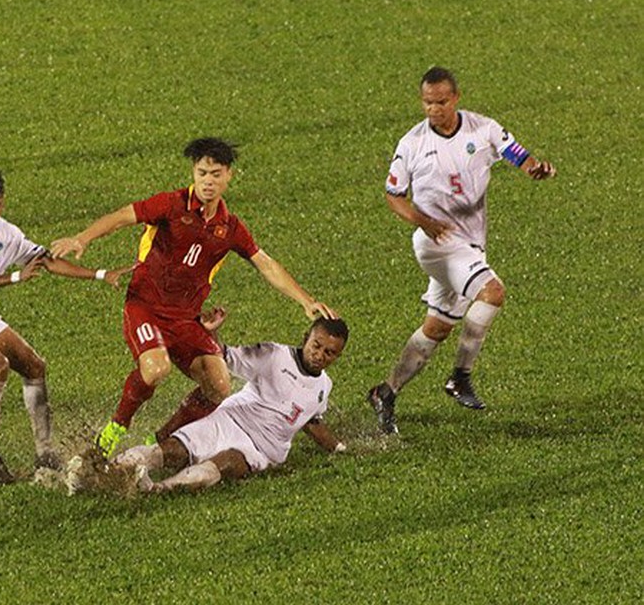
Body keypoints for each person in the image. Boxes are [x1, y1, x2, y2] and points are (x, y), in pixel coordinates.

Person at [50, 137, 336, 458]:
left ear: (229, 175)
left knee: (219, 386)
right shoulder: (171, 205)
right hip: (146, 307)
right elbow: (121, 216)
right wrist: (82, 238)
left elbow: (265, 264)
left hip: (186, 319)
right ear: (193, 172)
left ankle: (158, 442)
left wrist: (305, 300)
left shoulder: (230, 228)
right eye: (201, 173)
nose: (207, 182)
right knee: (157, 369)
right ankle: (114, 431)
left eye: (215, 174)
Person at [367, 67, 557, 435]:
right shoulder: (412, 144)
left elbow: (515, 151)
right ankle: (460, 377)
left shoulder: (482, 129)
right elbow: (393, 196)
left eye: (440, 102)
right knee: (493, 292)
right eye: (427, 103)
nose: (433, 109)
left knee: (437, 328)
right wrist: (422, 220)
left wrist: (534, 167)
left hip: (469, 243)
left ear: (455, 98)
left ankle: (385, 392)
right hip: (435, 243)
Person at [0, 167, 130, 484]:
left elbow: (45, 260)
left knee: (34, 366)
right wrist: (16, 277)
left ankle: (45, 453)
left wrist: (100, 274)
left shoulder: (7, 233)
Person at [98, 311, 349, 494]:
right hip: (230, 419)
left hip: (261, 451)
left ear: (338, 355)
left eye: (329, 353)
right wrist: (211, 333)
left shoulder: (323, 387)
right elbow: (225, 356)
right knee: (174, 450)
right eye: (316, 346)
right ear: (306, 337)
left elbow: (312, 422)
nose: (319, 355)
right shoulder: (273, 355)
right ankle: (106, 472)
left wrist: (339, 449)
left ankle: (158, 489)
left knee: (225, 465)